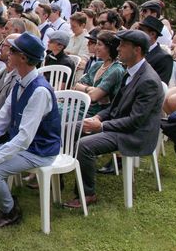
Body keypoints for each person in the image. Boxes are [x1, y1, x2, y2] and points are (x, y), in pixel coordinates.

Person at [0, 32, 61, 228]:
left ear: (24, 58)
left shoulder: (39, 91)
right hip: (24, 146)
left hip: (39, 150)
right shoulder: (19, 81)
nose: (7, 53)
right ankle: (8, 202)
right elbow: (1, 120)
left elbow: (25, 138)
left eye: (12, 50)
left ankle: (10, 211)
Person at [64, 30, 164, 209]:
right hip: (121, 125)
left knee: (84, 145)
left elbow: (135, 121)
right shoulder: (131, 71)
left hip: (135, 134)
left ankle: (88, 193)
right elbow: (115, 106)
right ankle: (59, 175)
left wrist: (101, 125)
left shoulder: (148, 80)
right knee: (68, 128)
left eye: (123, 45)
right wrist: (99, 116)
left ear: (137, 50)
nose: (118, 49)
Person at [74, 31, 126, 117]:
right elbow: (76, 86)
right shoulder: (98, 65)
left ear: (109, 47)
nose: (96, 47)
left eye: (99, 44)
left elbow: (94, 96)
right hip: (82, 106)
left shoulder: (116, 70)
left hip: (97, 113)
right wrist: (89, 89)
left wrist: (86, 89)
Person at [138, 16, 174, 85]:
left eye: (141, 30)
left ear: (152, 34)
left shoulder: (164, 58)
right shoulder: (135, 50)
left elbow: (159, 86)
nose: (137, 32)